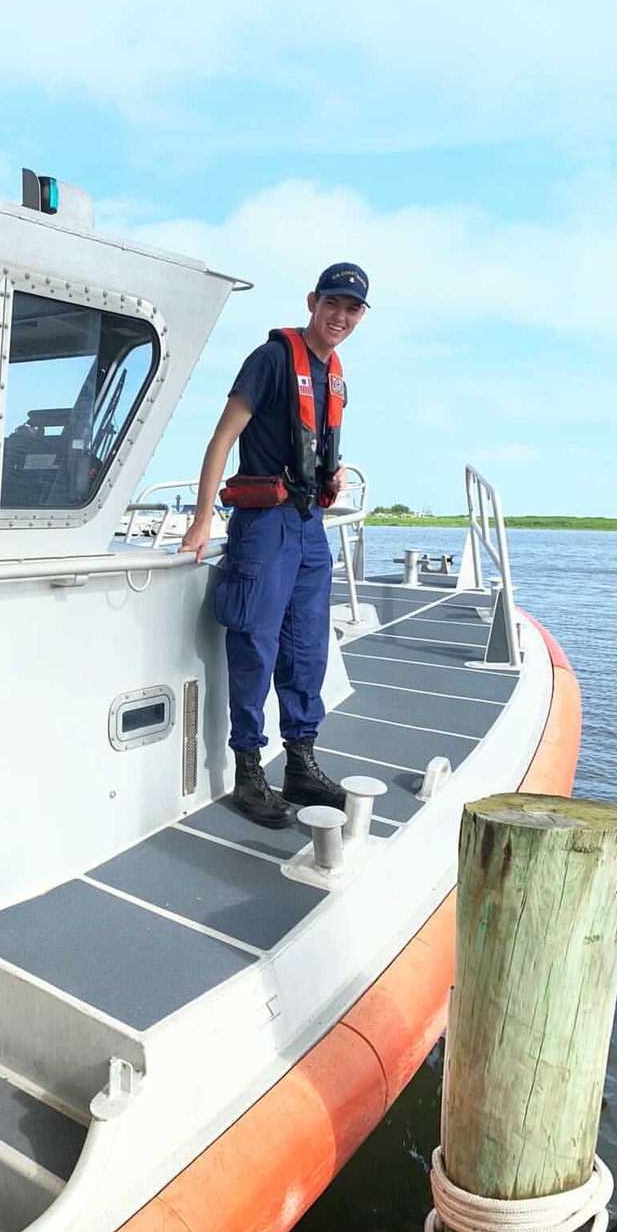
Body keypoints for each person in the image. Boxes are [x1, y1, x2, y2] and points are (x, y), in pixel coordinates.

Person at [179, 263, 369, 828]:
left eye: (352, 308)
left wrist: (328, 480)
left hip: (309, 526)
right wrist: (198, 521)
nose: (340, 316)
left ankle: (301, 762)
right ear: (313, 301)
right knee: (255, 646)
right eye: (332, 303)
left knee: (307, 647)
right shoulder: (270, 360)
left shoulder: (334, 374)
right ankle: (247, 771)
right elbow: (222, 437)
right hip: (264, 526)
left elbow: (318, 442)